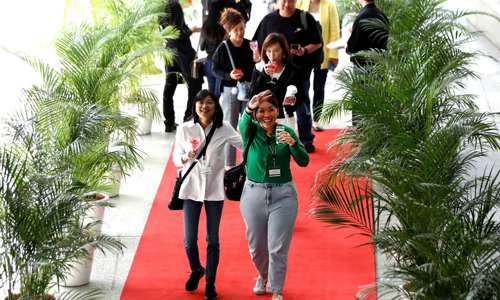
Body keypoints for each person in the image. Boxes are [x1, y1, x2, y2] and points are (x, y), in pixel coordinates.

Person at [239, 90, 309, 300]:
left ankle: (276, 288)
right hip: (253, 194)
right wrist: (250, 107)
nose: (266, 114)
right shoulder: (250, 131)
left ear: (278, 111)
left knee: (277, 247)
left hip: (283, 195)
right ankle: (263, 275)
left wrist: (293, 144)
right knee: (257, 247)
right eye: (261, 111)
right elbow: (244, 122)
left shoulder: (286, 131)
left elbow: (304, 161)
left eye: (271, 110)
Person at [172, 89, 242, 300]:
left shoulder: (224, 128)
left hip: (214, 190)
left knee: (213, 240)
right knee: (189, 240)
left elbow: (244, 145)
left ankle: (210, 283)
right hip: (191, 189)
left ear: (216, 106)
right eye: (200, 102)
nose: (204, 106)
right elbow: (176, 159)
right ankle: (196, 270)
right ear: (194, 105)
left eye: (209, 102)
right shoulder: (185, 129)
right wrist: (186, 156)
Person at [252, 0, 322, 153]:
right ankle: (270, 137)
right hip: (273, 71)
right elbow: (256, 43)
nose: (287, 4)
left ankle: (305, 139)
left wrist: (303, 50)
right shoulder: (268, 20)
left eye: (290, 0)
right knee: (273, 103)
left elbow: (317, 43)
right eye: (283, 0)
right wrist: (260, 62)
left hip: (299, 71)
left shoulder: (305, 17)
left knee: (301, 105)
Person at [212, 8, 254, 167]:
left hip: (247, 90)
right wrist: (229, 75)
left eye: (242, 28)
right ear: (228, 31)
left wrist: (257, 61)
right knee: (229, 127)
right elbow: (214, 69)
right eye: (236, 29)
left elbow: (255, 67)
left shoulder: (251, 45)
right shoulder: (223, 48)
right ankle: (229, 164)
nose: (240, 32)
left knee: (248, 127)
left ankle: (249, 161)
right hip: (230, 91)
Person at [160, 0, 203, 132]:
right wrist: (192, 30)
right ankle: (188, 118)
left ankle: (170, 122)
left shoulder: (163, 7)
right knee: (194, 83)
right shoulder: (172, 5)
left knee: (170, 86)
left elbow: (169, 31)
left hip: (170, 50)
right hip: (181, 52)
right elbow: (176, 32)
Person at [296, 0, 340, 131]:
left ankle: (317, 119)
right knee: (304, 88)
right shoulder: (300, 3)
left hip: (322, 54)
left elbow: (335, 31)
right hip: (303, 53)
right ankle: (306, 118)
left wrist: (334, 55)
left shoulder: (330, 5)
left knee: (319, 88)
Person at [249, 33, 305, 128]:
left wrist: (293, 100)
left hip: (285, 118)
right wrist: (264, 75)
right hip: (263, 119)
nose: (272, 55)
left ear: (283, 52)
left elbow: (301, 97)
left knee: (286, 142)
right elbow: (252, 95)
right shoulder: (259, 68)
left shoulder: (293, 70)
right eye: (269, 51)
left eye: (276, 51)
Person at [201, 0, 252, 95]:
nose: (240, 31)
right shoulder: (224, 6)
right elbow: (245, 17)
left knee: (215, 96)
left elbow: (207, 31)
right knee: (217, 96)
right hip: (218, 55)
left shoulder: (215, 6)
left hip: (219, 54)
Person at [346, 0, 389, 67]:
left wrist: (351, 34)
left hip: (364, 68)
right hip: (381, 66)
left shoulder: (361, 17)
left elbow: (352, 48)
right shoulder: (382, 15)